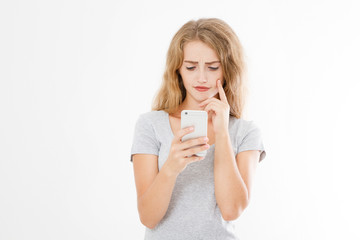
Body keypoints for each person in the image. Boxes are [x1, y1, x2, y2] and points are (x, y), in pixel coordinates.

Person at [130, 18, 266, 240]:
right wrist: (171, 167)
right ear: (178, 70)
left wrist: (222, 134)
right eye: (191, 67)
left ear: (228, 70)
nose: (201, 77)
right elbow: (148, 217)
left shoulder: (245, 132)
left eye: (213, 67)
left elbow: (231, 210)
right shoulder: (150, 125)